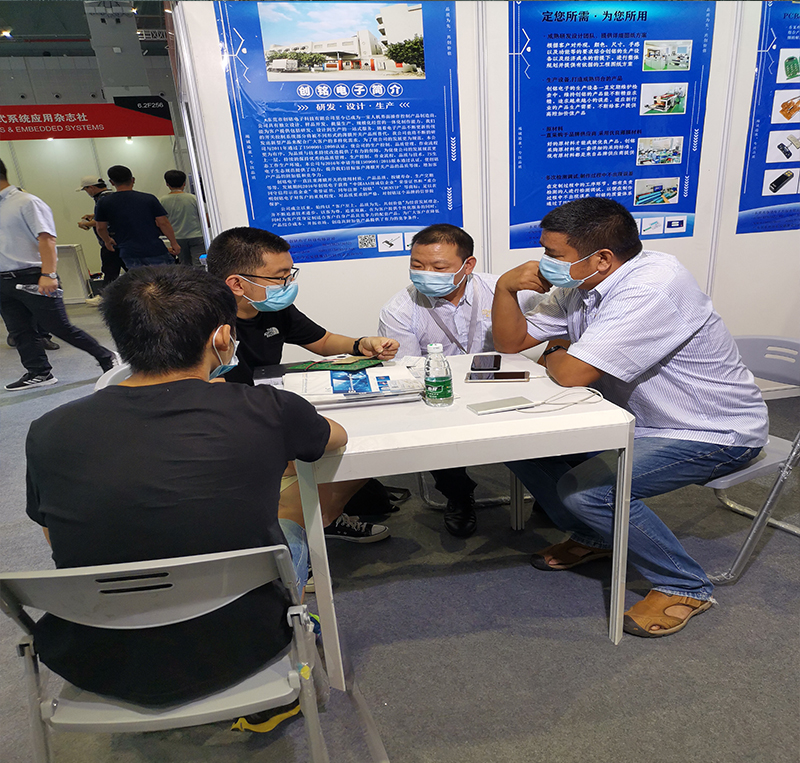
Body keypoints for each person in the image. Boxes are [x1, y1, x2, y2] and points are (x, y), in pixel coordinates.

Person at [25, 265, 346, 707]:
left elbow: (54, 537)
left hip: (98, 654)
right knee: (291, 510)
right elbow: (334, 438)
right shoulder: (266, 407)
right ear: (222, 338)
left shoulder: (48, 429)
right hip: (244, 644)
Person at [491, 196, 768, 637]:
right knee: (518, 446)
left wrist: (558, 349)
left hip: (711, 431)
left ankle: (684, 584)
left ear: (601, 258)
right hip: (636, 422)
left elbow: (573, 374)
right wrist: (505, 289)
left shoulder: (651, 287)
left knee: (588, 493)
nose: (544, 263)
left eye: (553, 254)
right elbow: (512, 343)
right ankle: (596, 537)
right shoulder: (584, 281)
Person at [206, 226, 399, 545]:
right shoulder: (205, 324)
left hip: (266, 412)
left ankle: (322, 518)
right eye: (279, 277)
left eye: (290, 274)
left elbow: (321, 339)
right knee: (331, 453)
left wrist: (361, 344)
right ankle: (295, 533)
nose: (288, 284)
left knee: (368, 445)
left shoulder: (272, 308)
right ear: (237, 284)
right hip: (235, 430)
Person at [378, 223, 543, 538]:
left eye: (439, 267)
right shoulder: (400, 310)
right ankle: (458, 494)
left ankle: (548, 493)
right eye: (417, 265)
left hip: (501, 384)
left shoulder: (504, 291)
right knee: (428, 425)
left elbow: (554, 323)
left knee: (548, 415)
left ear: (468, 265)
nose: (426, 274)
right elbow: (409, 374)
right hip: (440, 394)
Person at [0, 158, 117, 391]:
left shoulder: (26, 202)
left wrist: (49, 274)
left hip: (33, 276)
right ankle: (39, 372)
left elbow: (46, 238)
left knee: (58, 326)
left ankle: (107, 357)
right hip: (4, 280)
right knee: (20, 330)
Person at [93, 164, 180, 269]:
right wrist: (174, 243)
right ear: (133, 180)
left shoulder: (104, 202)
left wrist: (107, 240)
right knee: (163, 277)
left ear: (112, 182)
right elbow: (163, 223)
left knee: (139, 279)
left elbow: (100, 227)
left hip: (128, 251)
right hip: (154, 249)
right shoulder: (149, 199)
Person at [76, 175, 127, 298]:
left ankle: (104, 297)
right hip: (121, 240)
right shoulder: (111, 196)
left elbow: (106, 220)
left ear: (91, 187)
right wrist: (94, 215)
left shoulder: (103, 199)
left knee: (110, 271)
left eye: (86, 189)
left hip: (111, 241)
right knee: (125, 269)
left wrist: (87, 224)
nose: (87, 192)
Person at [159, 169, 205, 267]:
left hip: (177, 238)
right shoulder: (194, 199)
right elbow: (206, 219)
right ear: (184, 183)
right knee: (200, 265)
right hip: (196, 236)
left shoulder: (162, 201)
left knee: (184, 266)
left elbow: (160, 222)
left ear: (167, 184)